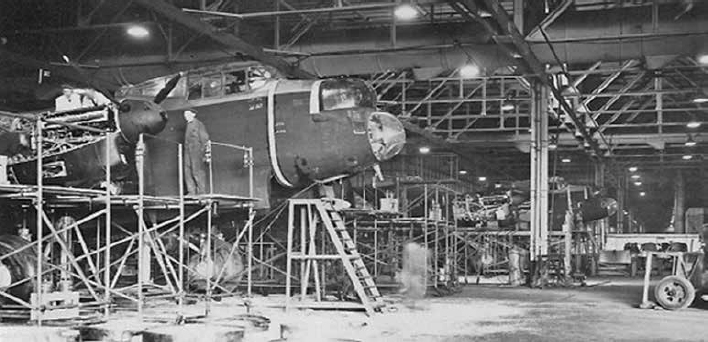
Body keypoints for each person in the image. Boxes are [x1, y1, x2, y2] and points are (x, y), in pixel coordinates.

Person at [183, 108, 210, 195]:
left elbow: (204, 138)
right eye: (185, 114)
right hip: (188, 150)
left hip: (196, 149)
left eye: (187, 114)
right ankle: (191, 191)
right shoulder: (188, 124)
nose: (185, 116)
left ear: (193, 114)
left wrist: (202, 151)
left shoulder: (198, 124)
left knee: (197, 170)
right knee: (187, 170)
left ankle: (201, 192)